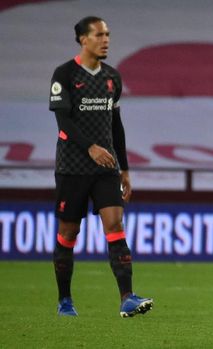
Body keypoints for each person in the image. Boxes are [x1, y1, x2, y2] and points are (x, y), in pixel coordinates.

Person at [49, 16, 153, 317]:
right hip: (72, 167)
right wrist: (90, 148)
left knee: (116, 225)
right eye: (99, 34)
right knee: (68, 232)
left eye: (107, 34)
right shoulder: (64, 75)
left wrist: (124, 168)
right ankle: (65, 300)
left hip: (106, 168)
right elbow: (63, 122)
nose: (105, 39)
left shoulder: (111, 77)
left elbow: (115, 124)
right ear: (83, 39)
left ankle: (127, 297)